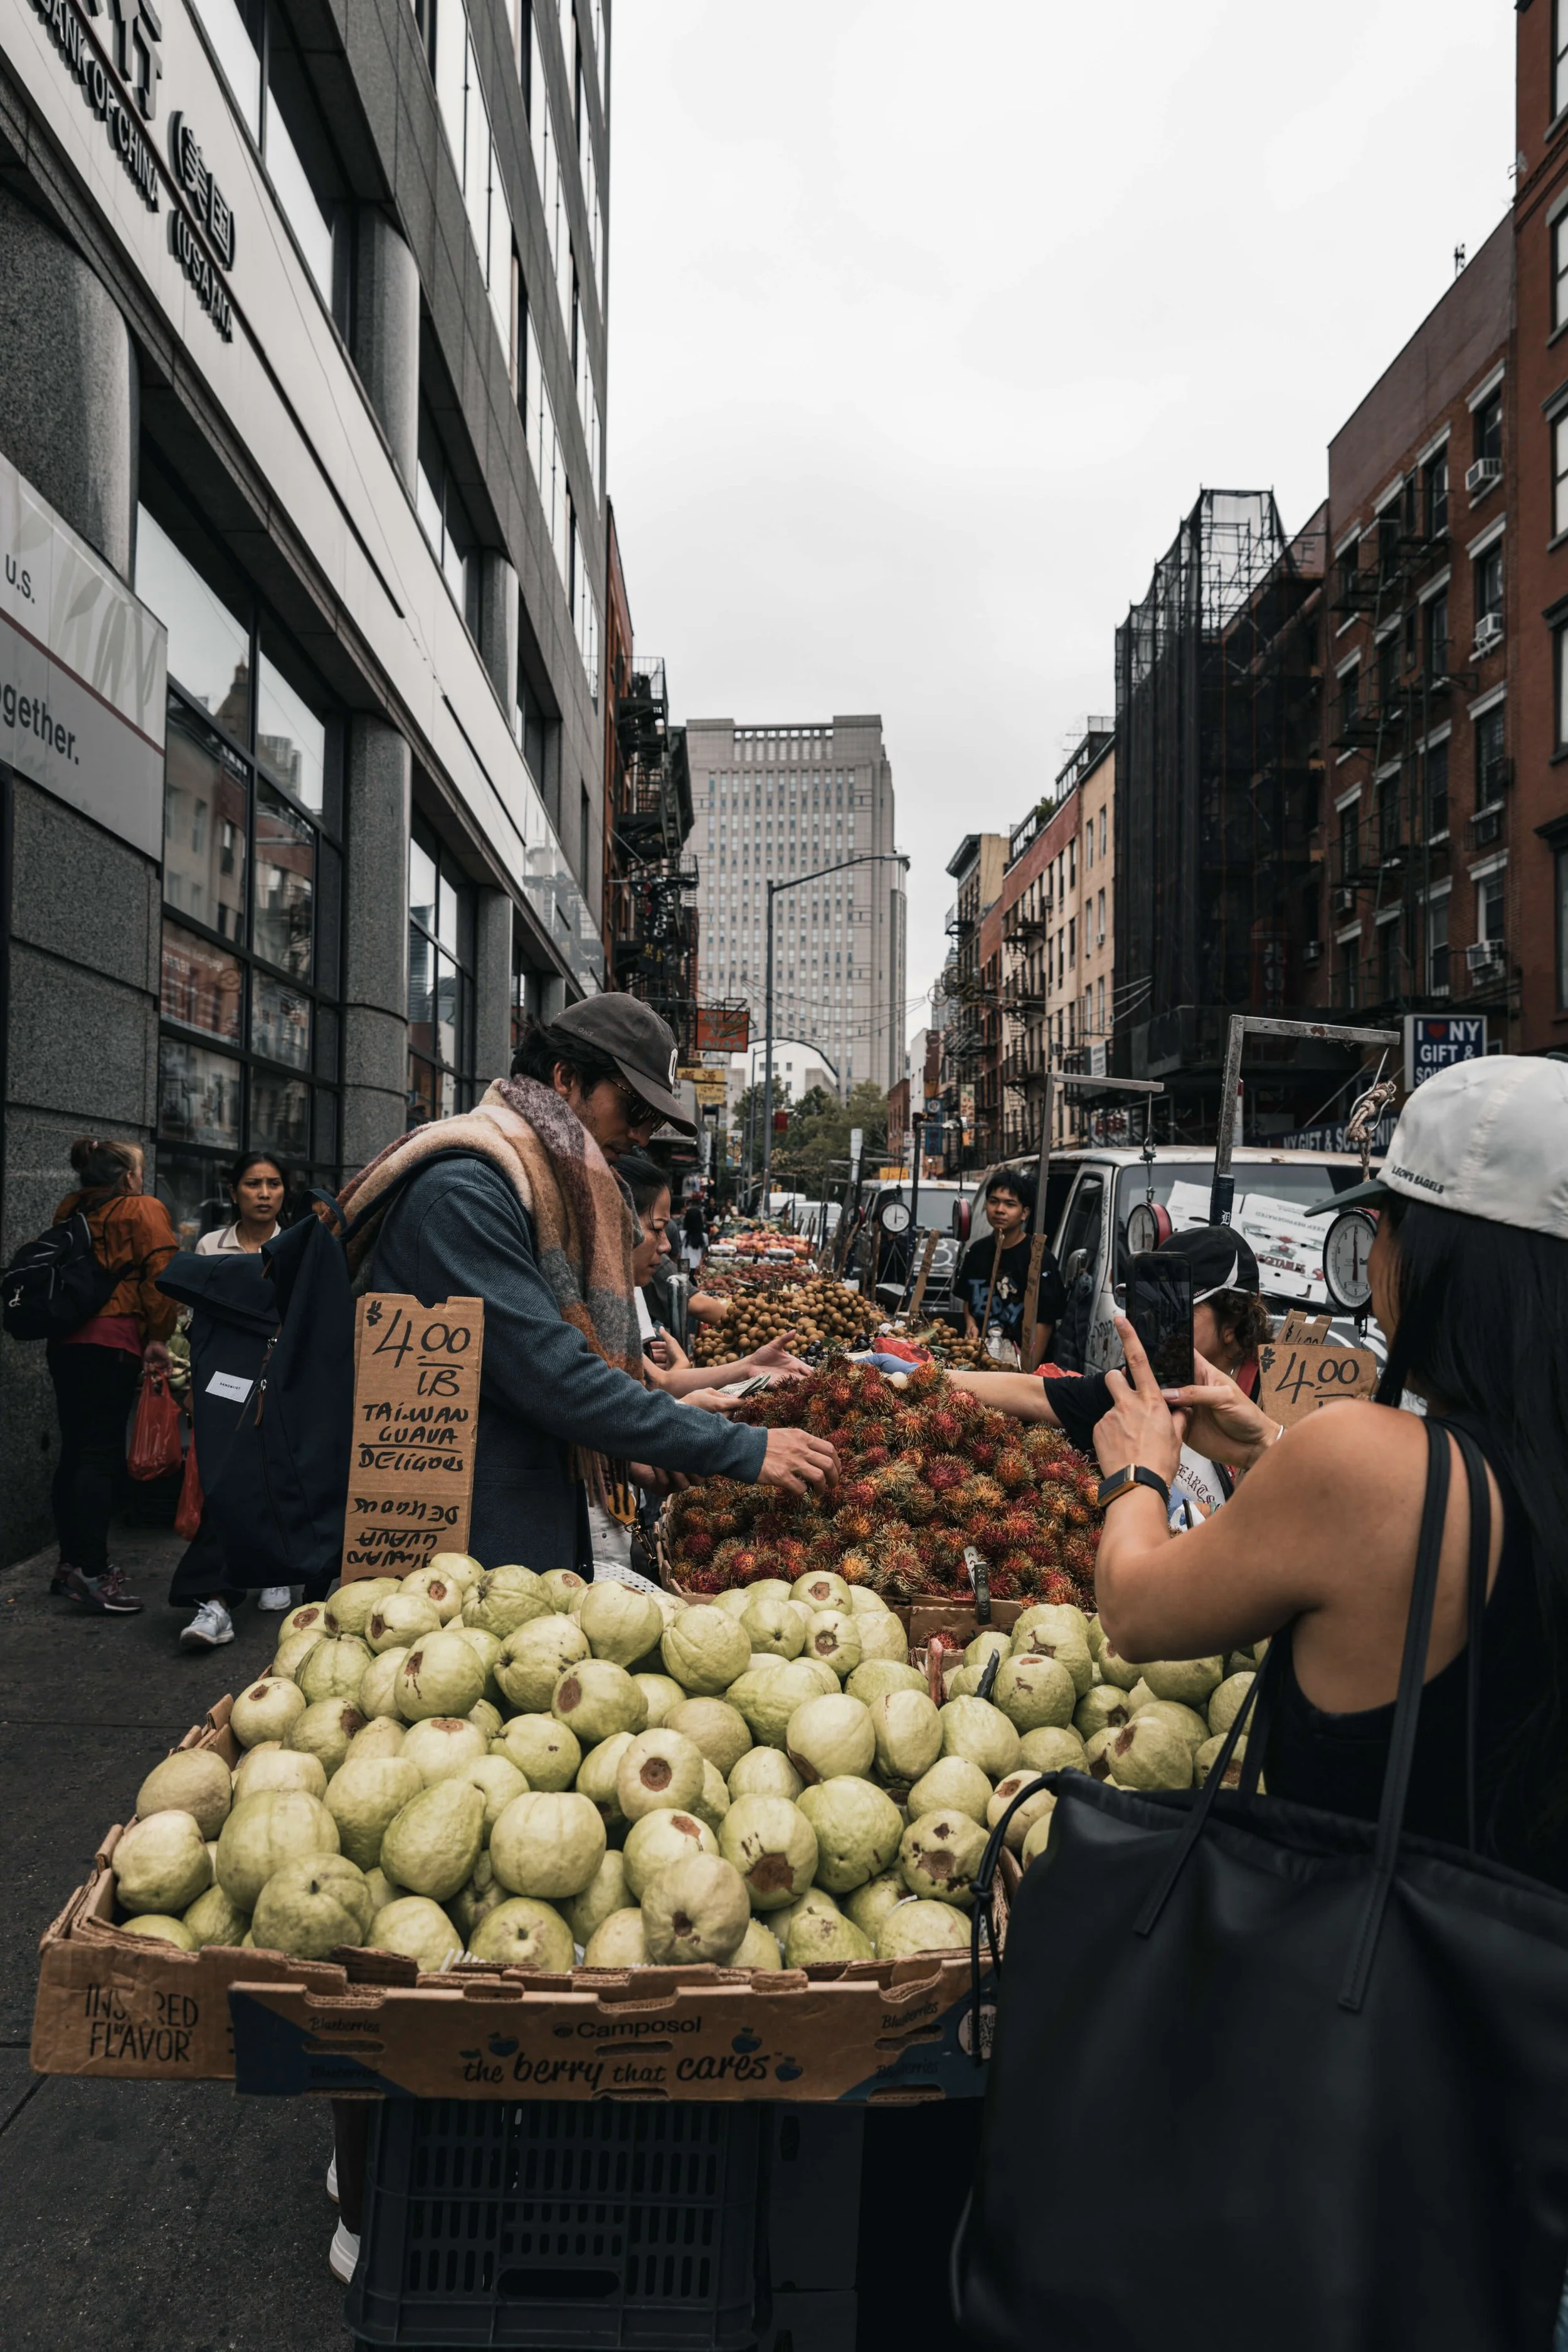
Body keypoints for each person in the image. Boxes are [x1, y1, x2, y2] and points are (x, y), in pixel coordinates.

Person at [336, 995, 837, 1576]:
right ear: (566, 1079)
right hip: (457, 1562)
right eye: (634, 1110)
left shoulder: (546, 1192)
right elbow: (555, 1376)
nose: (641, 1136)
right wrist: (741, 1446)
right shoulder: (465, 1195)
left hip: (520, 1544)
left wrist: (640, 1449)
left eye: (651, 1121)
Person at [952, 1223, 1275, 1524]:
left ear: (1232, 1322)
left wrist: (1264, 1446)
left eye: (1173, 1312)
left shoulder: (1276, 1399)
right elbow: (1036, 1395)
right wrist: (922, 1372)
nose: (1152, 1323)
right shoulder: (1137, 1388)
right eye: (1147, 1307)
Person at [46, 1137, 179, 1614]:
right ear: (127, 1177)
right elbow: (163, 1276)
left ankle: (69, 1565)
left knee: (76, 1449)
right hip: (114, 1342)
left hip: (66, 1343)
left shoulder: (71, 1210)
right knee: (100, 1454)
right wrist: (159, 1338)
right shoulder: (140, 1209)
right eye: (139, 1171)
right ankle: (94, 1572)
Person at [958, 1168, 1067, 1368]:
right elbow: (968, 1298)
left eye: (1010, 1204)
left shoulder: (1039, 1257)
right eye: (994, 1202)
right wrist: (971, 1324)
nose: (1000, 1210)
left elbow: (1045, 1321)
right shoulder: (976, 1251)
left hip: (1018, 1363)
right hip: (979, 1359)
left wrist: (1029, 1368)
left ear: (1024, 1213)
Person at [195, 1152, 287, 1258]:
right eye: (253, 1184)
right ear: (234, 1193)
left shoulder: (298, 1247)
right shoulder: (209, 1246)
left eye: (274, 1184)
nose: (265, 1194)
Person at [680, 1186, 708, 1274]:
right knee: (696, 1286)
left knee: (684, 1287)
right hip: (697, 1265)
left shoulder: (681, 1234)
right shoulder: (704, 1236)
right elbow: (704, 1252)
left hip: (683, 1264)